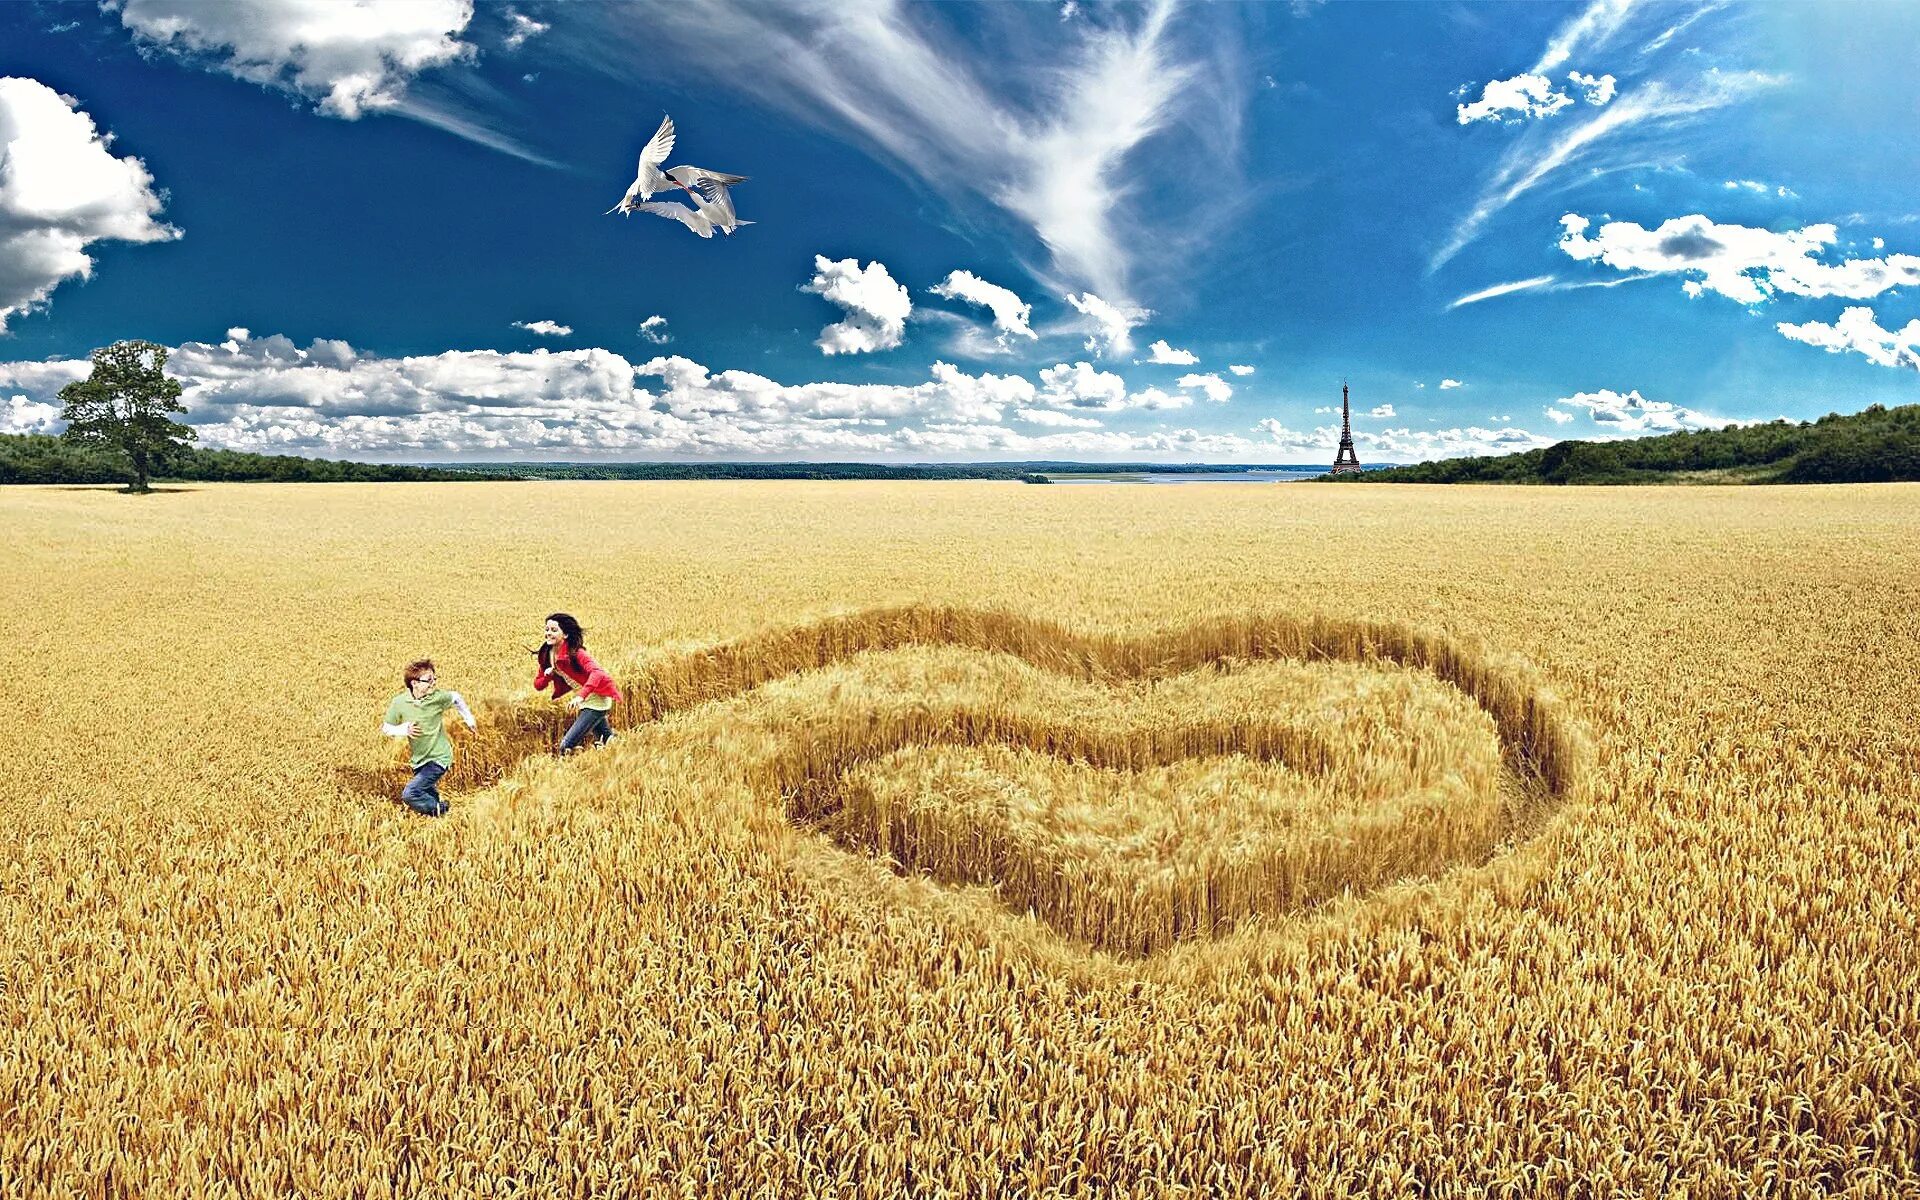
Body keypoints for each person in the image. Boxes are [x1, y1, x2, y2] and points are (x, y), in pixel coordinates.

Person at [380, 659, 475, 816]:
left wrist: (469, 720)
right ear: (414, 683)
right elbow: (386, 728)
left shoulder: (437, 697)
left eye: (434, 679)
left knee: (410, 794)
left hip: (439, 757)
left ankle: (442, 810)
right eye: (428, 680)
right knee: (427, 793)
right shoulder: (399, 703)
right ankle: (440, 815)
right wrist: (404, 729)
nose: (433, 683)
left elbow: (456, 697)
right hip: (419, 759)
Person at [535, 612, 623, 752]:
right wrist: (547, 675)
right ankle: (622, 751)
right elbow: (538, 685)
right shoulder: (547, 655)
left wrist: (580, 696)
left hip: (596, 699)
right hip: (584, 700)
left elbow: (598, 673)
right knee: (608, 740)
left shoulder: (576, 653)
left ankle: (576, 768)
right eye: (546, 629)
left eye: (554, 630)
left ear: (565, 635)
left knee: (566, 746)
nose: (548, 633)